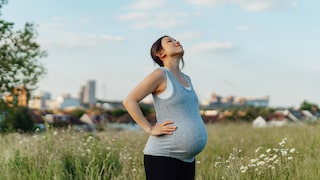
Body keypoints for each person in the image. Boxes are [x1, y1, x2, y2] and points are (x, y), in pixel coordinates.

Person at [122, 35, 207, 180]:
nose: (177, 41)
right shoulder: (160, 75)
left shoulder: (187, 78)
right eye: (170, 41)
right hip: (164, 156)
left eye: (176, 40)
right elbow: (130, 101)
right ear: (160, 53)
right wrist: (149, 128)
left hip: (187, 159)